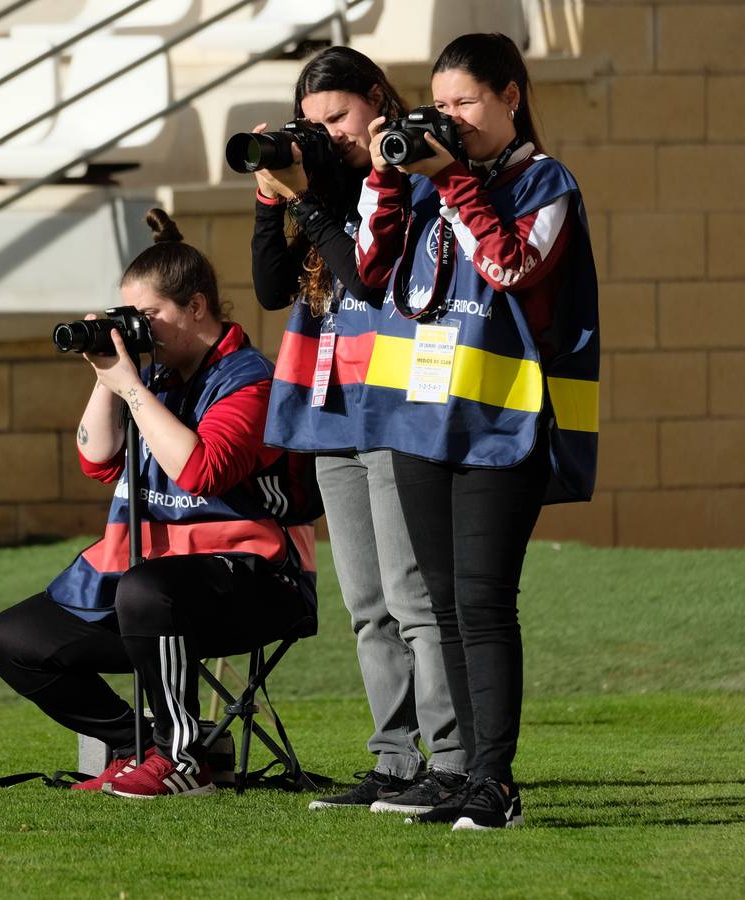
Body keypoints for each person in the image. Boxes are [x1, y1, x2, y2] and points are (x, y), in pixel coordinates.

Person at [0, 209, 318, 799]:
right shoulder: (155, 377)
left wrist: (134, 388)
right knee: (14, 639)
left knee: (145, 587)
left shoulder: (251, 380)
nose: (137, 331)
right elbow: (98, 459)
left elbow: (201, 471)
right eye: (127, 317)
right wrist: (106, 376)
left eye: (147, 317)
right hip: (152, 590)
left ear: (196, 307)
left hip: (253, 582)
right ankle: (132, 746)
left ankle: (183, 759)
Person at [355, 32, 600, 829]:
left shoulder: (545, 183)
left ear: (511, 97)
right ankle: (463, 776)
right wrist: (388, 181)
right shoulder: (428, 184)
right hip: (420, 419)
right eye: (441, 104)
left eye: (466, 103)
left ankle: (496, 783)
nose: (451, 118)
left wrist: (454, 180)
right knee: (446, 605)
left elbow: (512, 267)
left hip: (503, 425)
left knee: (486, 604)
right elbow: (368, 271)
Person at [250, 46, 467, 813]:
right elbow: (274, 288)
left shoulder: (406, 169)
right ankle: (395, 763)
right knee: (367, 603)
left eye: (337, 117)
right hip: (333, 406)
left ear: (377, 99)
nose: (327, 135)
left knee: (413, 597)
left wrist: (309, 202)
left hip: (397, 401)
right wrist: (270, 197)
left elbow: (363, 270)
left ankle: (454, 761)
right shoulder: (329, 182)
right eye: (311, 123)